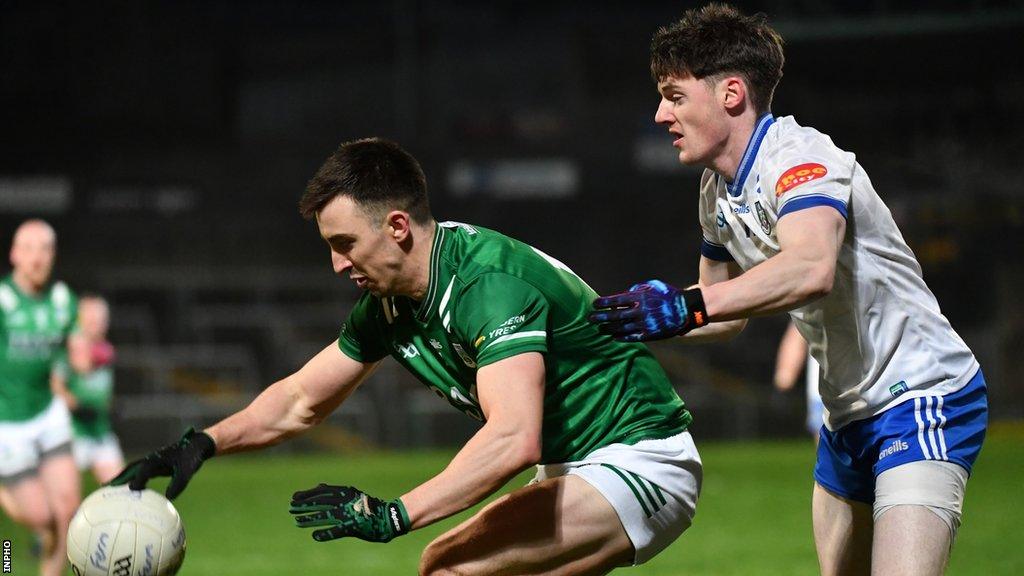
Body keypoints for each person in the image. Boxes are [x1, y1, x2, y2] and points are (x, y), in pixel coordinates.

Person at [113, 138, 703, 574]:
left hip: (638, 461)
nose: (338, 265)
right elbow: (299, 400)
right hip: (578, 468)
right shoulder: (390, 306)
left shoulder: (483, 284)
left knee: (447, 567)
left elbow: (512, 438)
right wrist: (204, 442)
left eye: (345, 244)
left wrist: (393, 513)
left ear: (396, 226)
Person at [589, 4, 987, 575]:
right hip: (846, 415)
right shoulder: (716, 191)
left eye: (674, 96)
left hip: (923, 394)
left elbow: (810, 267)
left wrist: (685, 306)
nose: (660, 114)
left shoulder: (801, 158)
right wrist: (634, 324)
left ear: (730, 93)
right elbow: (722, 316)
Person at [0, 219, 80, 576]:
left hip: (48, 413)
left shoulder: (63, 300)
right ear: (14, 254)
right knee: (41, 517)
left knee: (69, 511)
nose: (36, 257)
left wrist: (76, 366)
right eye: (28, 248)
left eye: (44, 248)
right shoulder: (3, 301)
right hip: (8, 420)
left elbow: (70, 354)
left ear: (53, 255)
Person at [52, 294, 125, 484]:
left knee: (123, 491)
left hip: (100, 432)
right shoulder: (68, 351)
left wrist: (110, 405)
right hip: (72, 435)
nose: (98, 325)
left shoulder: (105, 351)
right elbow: (55, 385)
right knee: (64, 500)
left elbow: (103, 390)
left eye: (102, 320)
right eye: (92, 320)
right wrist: (75, 405)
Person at [773, 321, 823, 443]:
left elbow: (797, 332)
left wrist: (785, 374)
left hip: (826, 391)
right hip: (870, 388)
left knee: (832, 454)